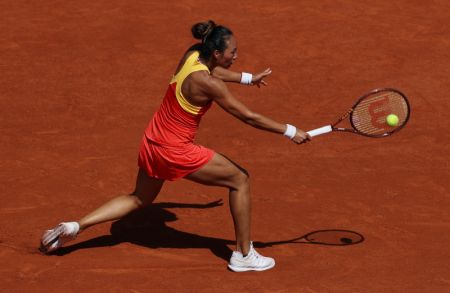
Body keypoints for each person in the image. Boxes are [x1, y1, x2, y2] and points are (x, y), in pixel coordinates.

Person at [40, 20, 311, 272]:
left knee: (139, 198)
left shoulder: (193, 55)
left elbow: (215, 69)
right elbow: (248, 116)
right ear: (217, 53)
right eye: (233, 52)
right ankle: (243, 255)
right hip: (175, 150)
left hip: (152, 142)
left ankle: (76, 225)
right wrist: (289, 130)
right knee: (240, 179)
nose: (235, 56)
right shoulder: (209, 84)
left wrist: (247, 78)